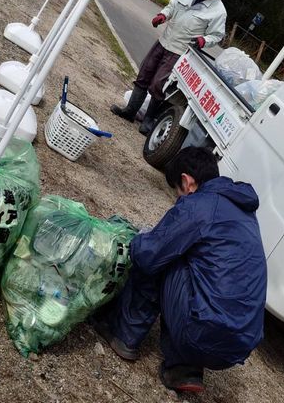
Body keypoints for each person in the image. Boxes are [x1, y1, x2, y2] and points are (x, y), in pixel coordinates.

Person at [92, 147, 266, 394]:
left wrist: (139, 239)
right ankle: (184, 369)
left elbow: (149, 254)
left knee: (159, 255)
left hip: (202, 333)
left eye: (177, 190)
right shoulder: (243, 213)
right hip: (238, 347)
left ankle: (123, 333)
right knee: (197, 271)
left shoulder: (199, 205)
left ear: (187, 181)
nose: (178, 198)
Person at [111, 0, 228, 134]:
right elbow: (172, 5)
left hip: (179, 51)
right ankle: (130, 111)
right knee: (144, 75)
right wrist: (163, 15)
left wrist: (203, 40)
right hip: (163, 41)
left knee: (159, 84)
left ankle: (148, 120)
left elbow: (216, 35)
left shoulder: (218, 12)